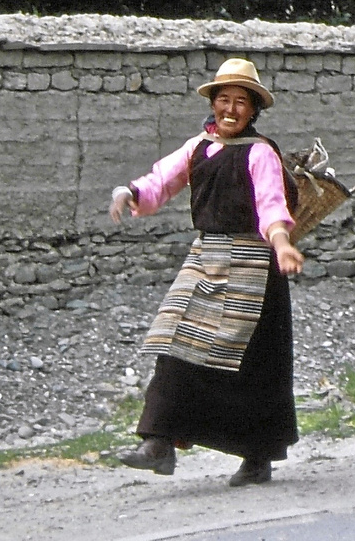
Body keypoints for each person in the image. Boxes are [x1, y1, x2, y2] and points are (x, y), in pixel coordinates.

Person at [109, 58, 303, 487]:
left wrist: (282, 242)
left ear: (254, 111)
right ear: (213, 105)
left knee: (253, 364)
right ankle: (158, 442)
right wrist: (130, 191)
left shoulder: (260, 153)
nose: (230, 110)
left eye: (240, 103)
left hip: (254, 264)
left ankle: (258, 456)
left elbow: (272, 204)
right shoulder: (199, 147)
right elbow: (163, 179)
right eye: (223, 100)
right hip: (206, 258)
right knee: (175, 342)